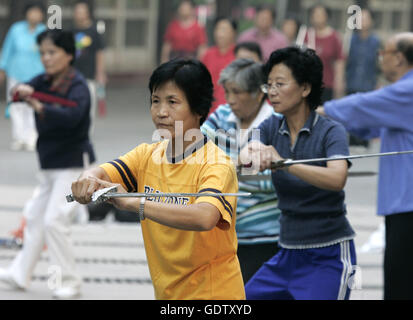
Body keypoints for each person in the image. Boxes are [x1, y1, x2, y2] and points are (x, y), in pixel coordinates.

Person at [70, 59, 245, 300]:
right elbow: (100, 172)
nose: (161, 112)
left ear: (199, 109)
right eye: (155, 101)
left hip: (213, 295)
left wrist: (136, 203)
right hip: (168, 294)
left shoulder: (216, 163)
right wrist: (86, 181)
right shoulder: (147, 155)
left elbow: (205, 216)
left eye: (173, 102)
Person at [241, 47, 356, 300]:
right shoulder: (271, 126)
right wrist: (253, 153)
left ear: (305, 89)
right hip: (286, 254)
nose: (272, 91)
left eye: (280, 84)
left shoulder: (331, 131)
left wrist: (284, 162)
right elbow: (246, 154)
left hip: (329, 255)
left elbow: (337, 179)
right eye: (268, 84)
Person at [0, 29, 95, 299]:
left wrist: (41, 107)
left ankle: (70, 281)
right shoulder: (44, 80)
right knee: (34, 218)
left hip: (72, 164)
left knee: (55, 220)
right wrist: (22, 90)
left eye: (52, 52)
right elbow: (21, 92)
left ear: (68, 55)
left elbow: (73, 117)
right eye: (42, 53)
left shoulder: (77, 85)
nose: (46, 58)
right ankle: (20, 273)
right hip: (50, 164)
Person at [318, 32, 413, 300]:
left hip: (409, 206)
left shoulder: (407, 90)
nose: (380, 58)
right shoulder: (399, 95)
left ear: (400, 58)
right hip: (402, 204)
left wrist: (318, 111)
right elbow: (368, 124)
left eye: (385, 52)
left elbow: (361, 105)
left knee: (401, 284)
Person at [201, 59, 281, 283]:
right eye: (227, 92)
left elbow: (277, 180)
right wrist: (239, 168)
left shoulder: (276, 122)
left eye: (237, 92)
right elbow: (195, 155)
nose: (231, 100)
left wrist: (225, 172)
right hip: (225, 235)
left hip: (265, 237)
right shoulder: (222, 116)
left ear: (258, 93)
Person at [0, 1, 46, 151]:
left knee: (32, 105)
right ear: (26, 13)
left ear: (42, 15)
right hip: (16, 73)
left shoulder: (44, 32)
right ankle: (18, 137)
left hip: (37, 75)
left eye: (38, 12)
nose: (34, 15)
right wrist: (2, 68)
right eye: (32, 11)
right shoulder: (16, 29)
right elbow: (7, 50)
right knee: (16, 106)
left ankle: (31, 137)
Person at [345, 8, 381, 148]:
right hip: (352, 81)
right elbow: (346, 62)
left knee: (366, 112)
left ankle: (365, 140)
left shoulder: (376, 42)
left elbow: (378, 65)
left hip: (368, 82)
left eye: (365, 18)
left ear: (371, 21)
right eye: (359, 19)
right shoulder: (351, 40)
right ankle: (352, 139)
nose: (362, 22)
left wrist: (378, 82)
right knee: (352, 110)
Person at [72, 0, 106, 134]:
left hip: (90, 74)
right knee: (74, 102)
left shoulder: (94, 32)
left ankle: (86, 131)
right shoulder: (71, 31)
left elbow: (100, 53)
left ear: (88, 13)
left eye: (82, 11)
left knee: (89, 103)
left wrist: (100, 72)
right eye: (77, 11)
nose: (79, 14)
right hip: (73, 74)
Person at [304, 4, 346, 101]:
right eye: (315, 14)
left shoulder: (334, 37)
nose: (318, 17)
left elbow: (340, 61)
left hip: (327, 84)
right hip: (307, 83)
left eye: (321, 14)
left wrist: (339, 81)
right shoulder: (306, 35)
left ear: (327, 17)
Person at [201, 17, 237, 114]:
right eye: (218, 29)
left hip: (231, 109)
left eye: (224, 29)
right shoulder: (208, 54)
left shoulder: (238, 55)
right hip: (209, 108)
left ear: (234, 33)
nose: (220, 34)